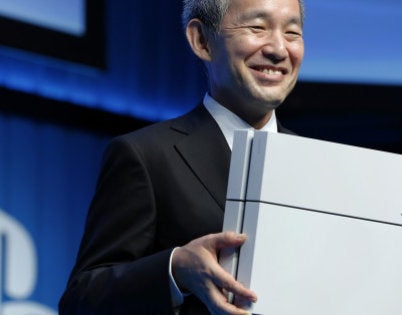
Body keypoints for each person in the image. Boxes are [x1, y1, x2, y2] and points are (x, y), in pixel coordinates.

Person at [59, 0, 305, 313]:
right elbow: (81, 301)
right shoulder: (147, 156)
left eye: (292, 32)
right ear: (201, 40)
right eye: (257, 27)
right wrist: (175, 269)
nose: (279, 49)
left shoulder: (320, 167)